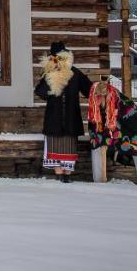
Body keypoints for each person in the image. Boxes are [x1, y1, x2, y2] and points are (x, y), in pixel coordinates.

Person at [34, 42, 92, 182]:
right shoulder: (50, 74)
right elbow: (41, 93)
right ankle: (59, 175)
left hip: (71, 118)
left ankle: (67, 175)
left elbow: (89, 89)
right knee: (55, 147)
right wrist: (49, 76)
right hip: (54, 119)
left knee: (69, 148)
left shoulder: (75, 73)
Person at [87, 80, 137, 186]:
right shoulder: (94, 103)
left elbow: (133, 123)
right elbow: (94, 123)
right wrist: (100, 134)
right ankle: (99, 181)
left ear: (106, 95)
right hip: (110, 130)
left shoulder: (123, 103)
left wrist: (115, 132)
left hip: (129, 130)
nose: (98, 100)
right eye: (96, 97)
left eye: (100, 97)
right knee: (96, 143)